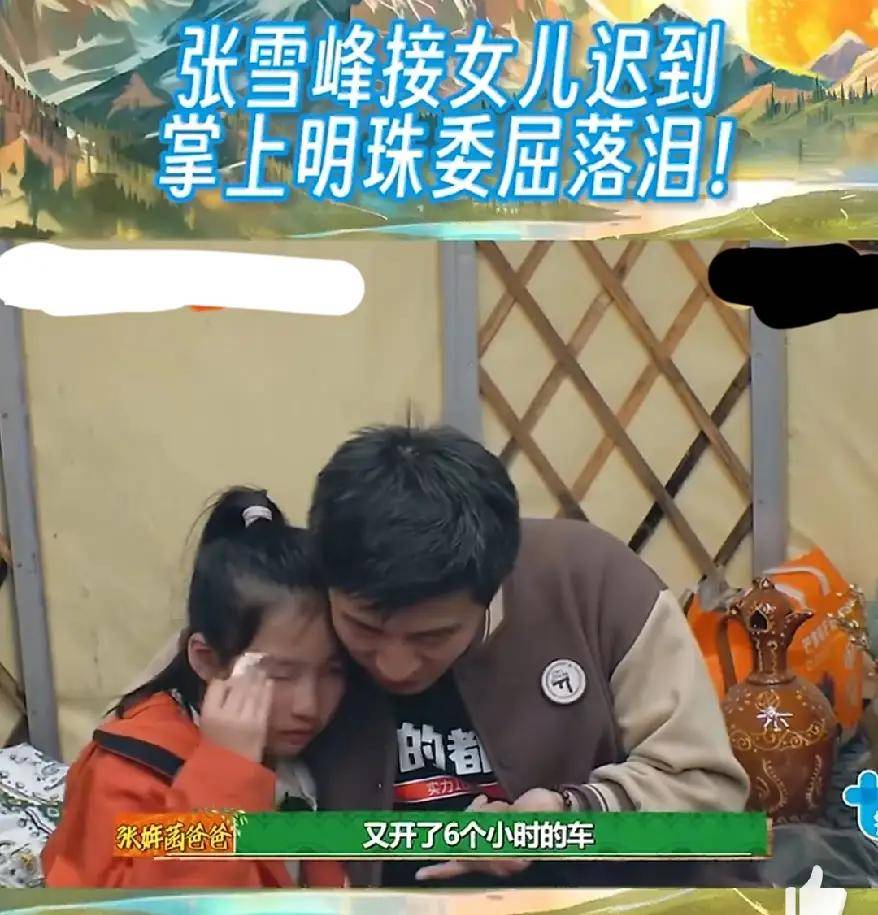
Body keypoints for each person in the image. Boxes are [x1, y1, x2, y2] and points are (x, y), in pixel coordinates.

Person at [304, 424, 751, 889]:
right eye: (363, 628)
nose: (393, 665)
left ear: (494, 587)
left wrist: (565, 817)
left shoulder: (595, 584)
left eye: (432, 636)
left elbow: (708, 794)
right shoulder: (295, 605)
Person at [43, 487, 347, 889]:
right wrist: (224, 775)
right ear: (206, 660)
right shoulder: (129, 769)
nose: (308, 705)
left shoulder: (317, 745)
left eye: (333, 671)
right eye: (279, 674)